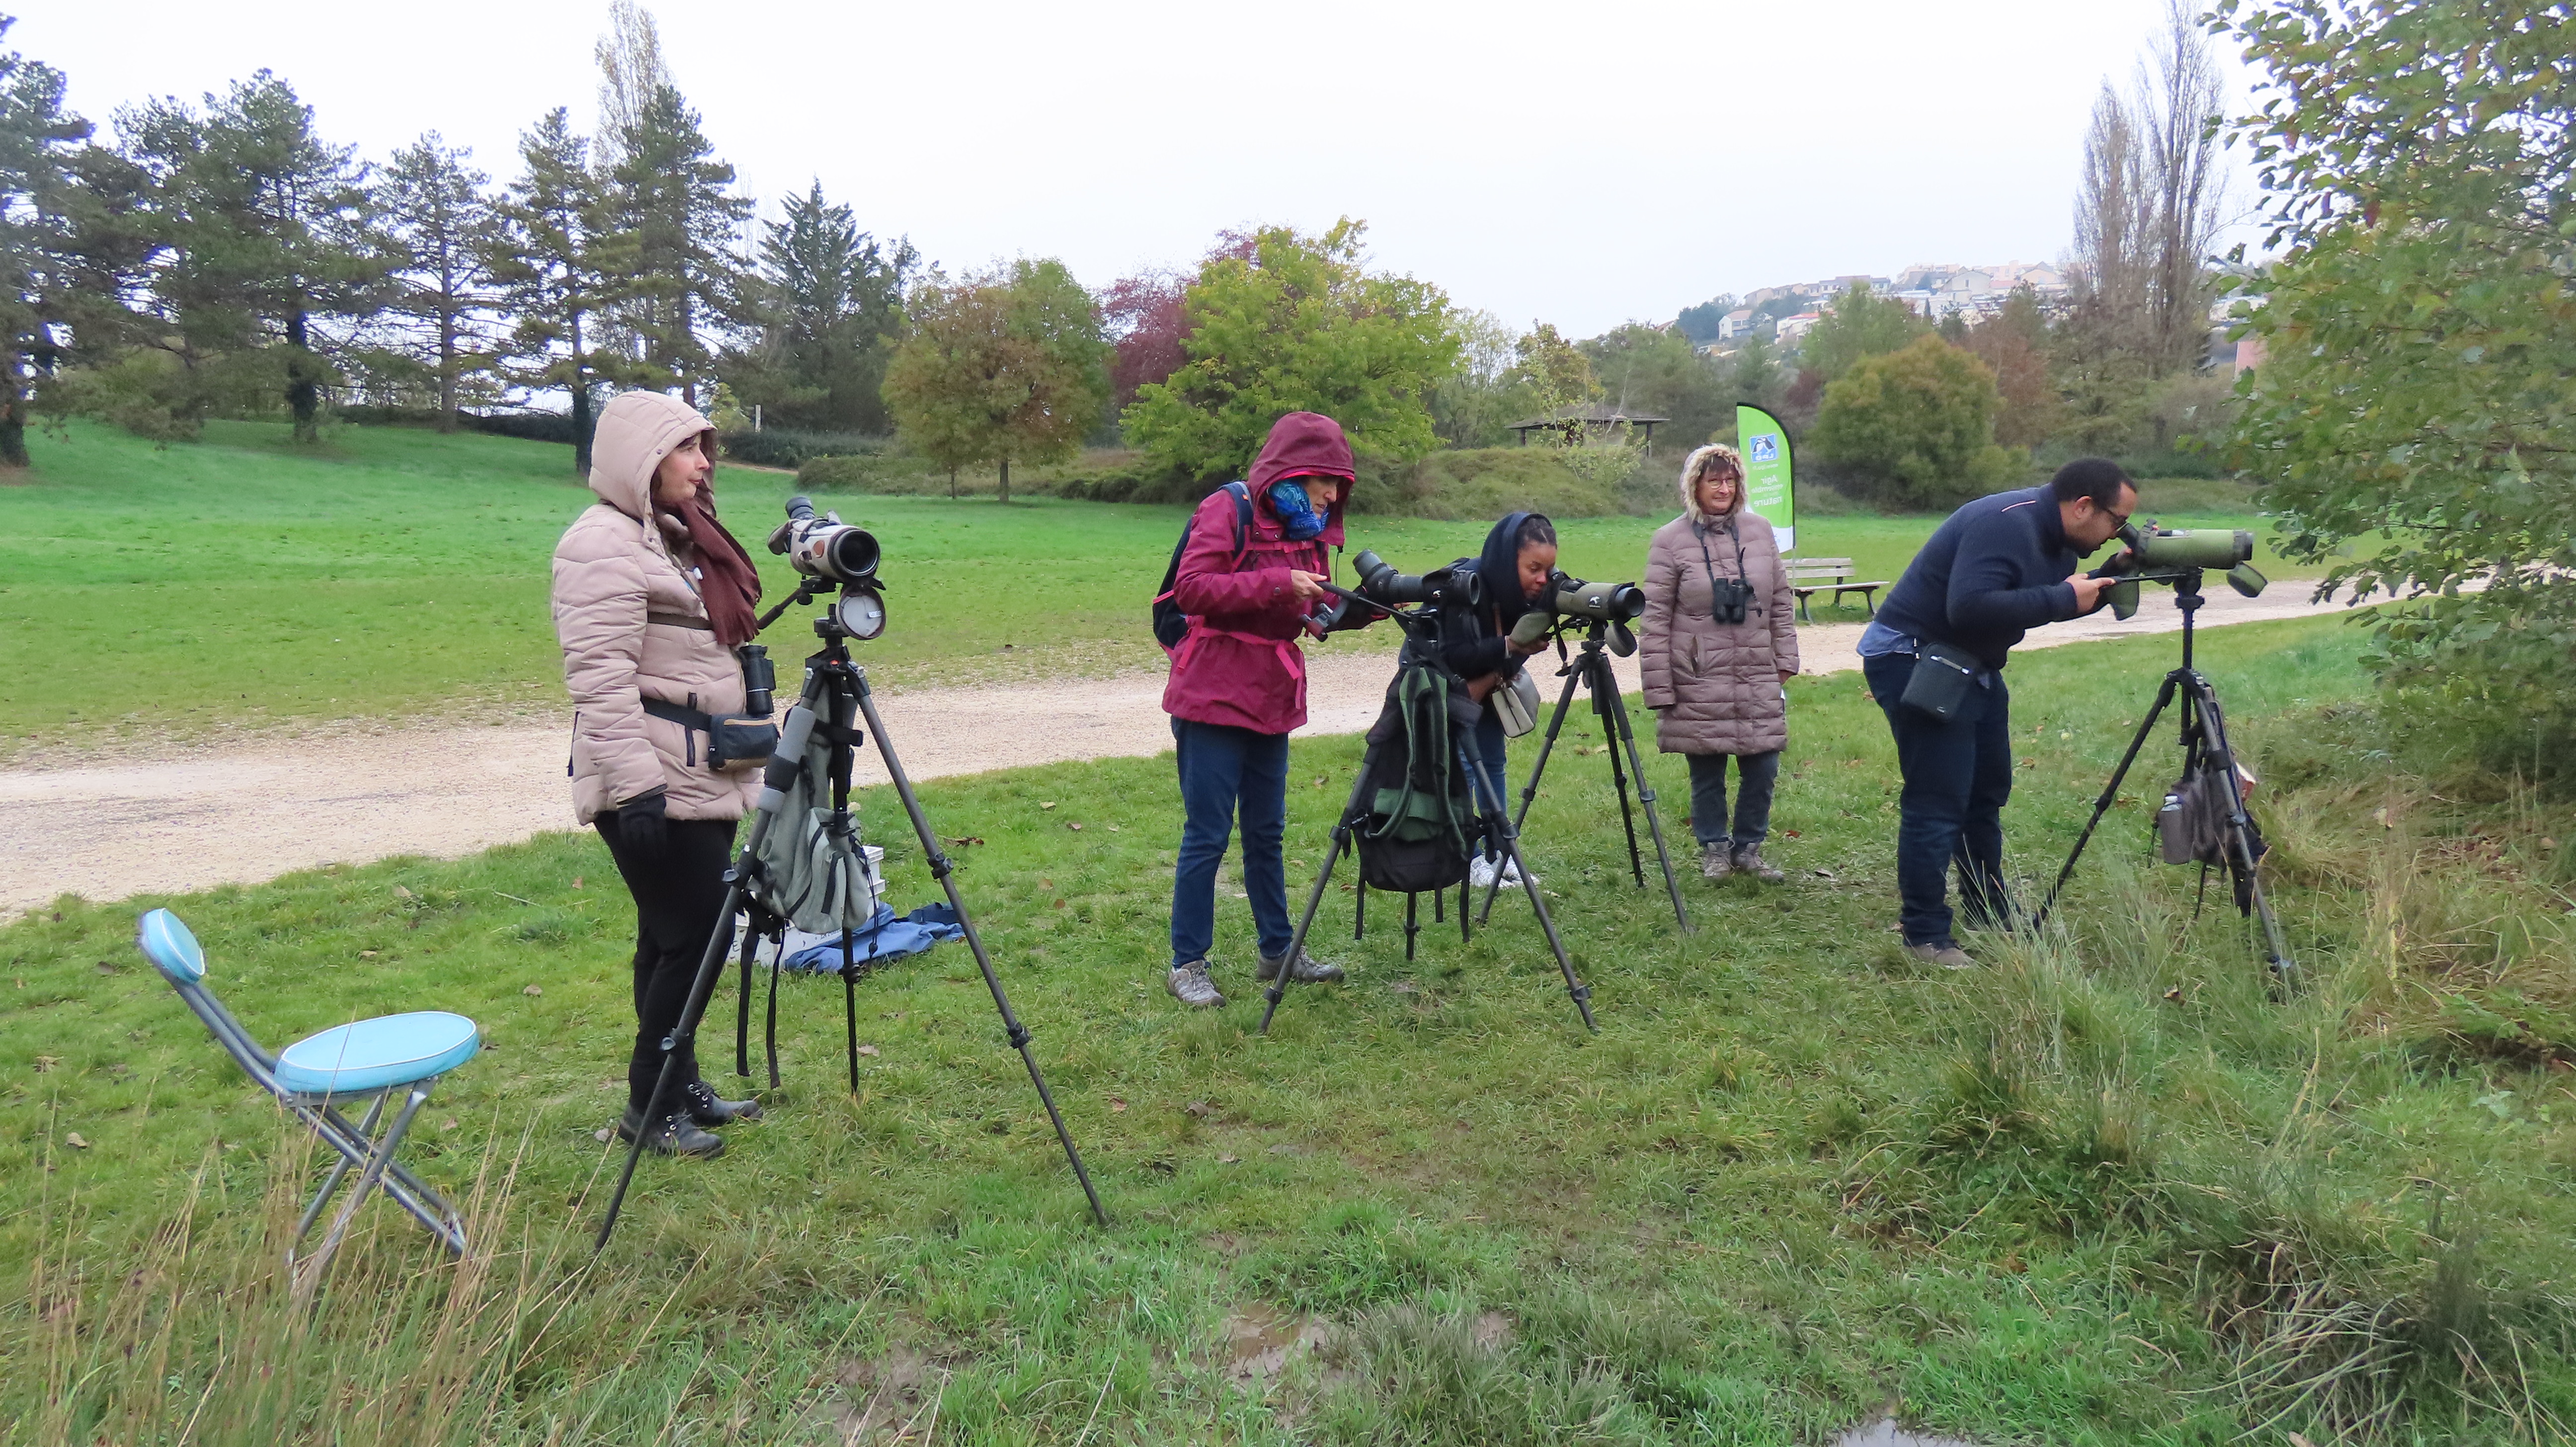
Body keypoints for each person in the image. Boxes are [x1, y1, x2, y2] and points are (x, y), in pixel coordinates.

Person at [552, 391, 768, 1157]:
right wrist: (636, 784)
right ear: (643, 458)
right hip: (651, 774)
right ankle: (649, 1105)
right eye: (688, 447)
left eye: (704, 447)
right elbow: (600, 678)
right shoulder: (601, 545)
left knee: (669, 935)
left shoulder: (673, 538)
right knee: (698, 937)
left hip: (700, 767)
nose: (705, 463)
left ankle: (680, 1086)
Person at [1858, 457, 2136, 967]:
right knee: (1938, 798)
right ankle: (1925, 935)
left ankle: (1989, 913)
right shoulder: (2005, 524)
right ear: (2082, 507)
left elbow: (2036, 601)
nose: (2119, 532)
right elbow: (1971, 606)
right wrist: (2060, 596)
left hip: (1970, 660)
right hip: (1914, 655)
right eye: (2117, 521)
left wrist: (2106, 579)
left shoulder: (2060, 541)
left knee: (1984, 793)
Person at [1159, 412, 1369, 1009]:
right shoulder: (1228, 508)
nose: (1335, 495)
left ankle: (1278, 948)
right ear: (1297, 470)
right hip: (1213, 690)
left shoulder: (1310, 525)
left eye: (1340, 485)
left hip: (1272, 694)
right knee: (1207, 834)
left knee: (1267, 831)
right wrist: (1280, 584)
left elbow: (1317, 602)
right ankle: (1187, 963)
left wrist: (1369, 605)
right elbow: (1192, 590)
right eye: (1328, 480)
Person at [1639, 444, 1800, 883]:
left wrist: (1786, 660)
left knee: (1764, 764)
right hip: (1698, 674)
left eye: (1730, 480)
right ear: (1695, 486)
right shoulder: (1669, 540)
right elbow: (1654, 620)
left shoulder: (1760, 531)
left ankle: (1749, 848)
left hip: (1755, 670)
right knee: (1707, 768)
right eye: (1714, 480)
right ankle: (1714, 849)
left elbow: (1782, 602)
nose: (1723, 488)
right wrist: (1660, 687)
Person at [1440, 511, 1558, 890]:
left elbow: (1518, 643)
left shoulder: (1528, 594)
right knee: (1466, 768)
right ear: (1509, 561)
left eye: (1549, 569)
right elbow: (1456, 655)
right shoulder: (1466, 585)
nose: (1543, 579)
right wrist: (1510, 646)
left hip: (1488, 688)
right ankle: (1470, 859)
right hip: (1451, 689)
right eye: (1534, 568)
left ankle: (1499, 854)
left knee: (1493, 763)